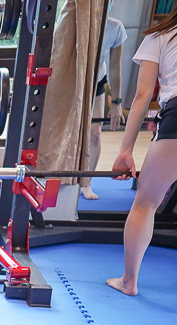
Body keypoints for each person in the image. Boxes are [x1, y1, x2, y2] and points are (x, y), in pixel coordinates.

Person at [107, 8, 177, 296]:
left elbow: (142, 95)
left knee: (145, 203)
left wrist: (125, 150)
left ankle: (129, 282)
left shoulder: (160, 36)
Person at [80, 3, 127, 200]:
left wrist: (116, 103)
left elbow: (116, 68)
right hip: (72, 80)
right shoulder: (77, 21)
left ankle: (86, 183)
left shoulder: (115, 28)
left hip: (97, 81)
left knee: (95, 134)